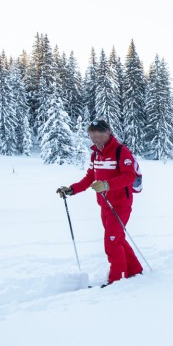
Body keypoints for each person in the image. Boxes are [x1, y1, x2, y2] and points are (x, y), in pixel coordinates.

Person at [56, 119, 143, 286]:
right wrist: (72, 189)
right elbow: (91, 177)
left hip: (120, 205)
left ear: (108, 133)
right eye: (91, 133)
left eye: (98, 133)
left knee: (111, 242)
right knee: (117, 239)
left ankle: (117, 279)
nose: (94, 137)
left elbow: (129, 176)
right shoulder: (96, 154)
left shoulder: (121, 152)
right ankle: (134, 269)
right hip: (104, 205)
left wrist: (107, 185)